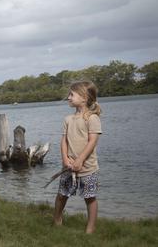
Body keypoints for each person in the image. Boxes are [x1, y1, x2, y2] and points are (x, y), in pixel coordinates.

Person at [53, 81, 102, 234]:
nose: (68, 97)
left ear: (84, 98)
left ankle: (90, 229)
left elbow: (92, 141)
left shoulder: (92, 118)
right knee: (62, 195)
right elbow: (64, 141)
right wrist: (66, 160)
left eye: (71, 95)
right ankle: (57, 221)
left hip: (88, 168)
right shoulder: (68, 119)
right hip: (68, 167)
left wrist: (80, 160)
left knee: (90, 198)